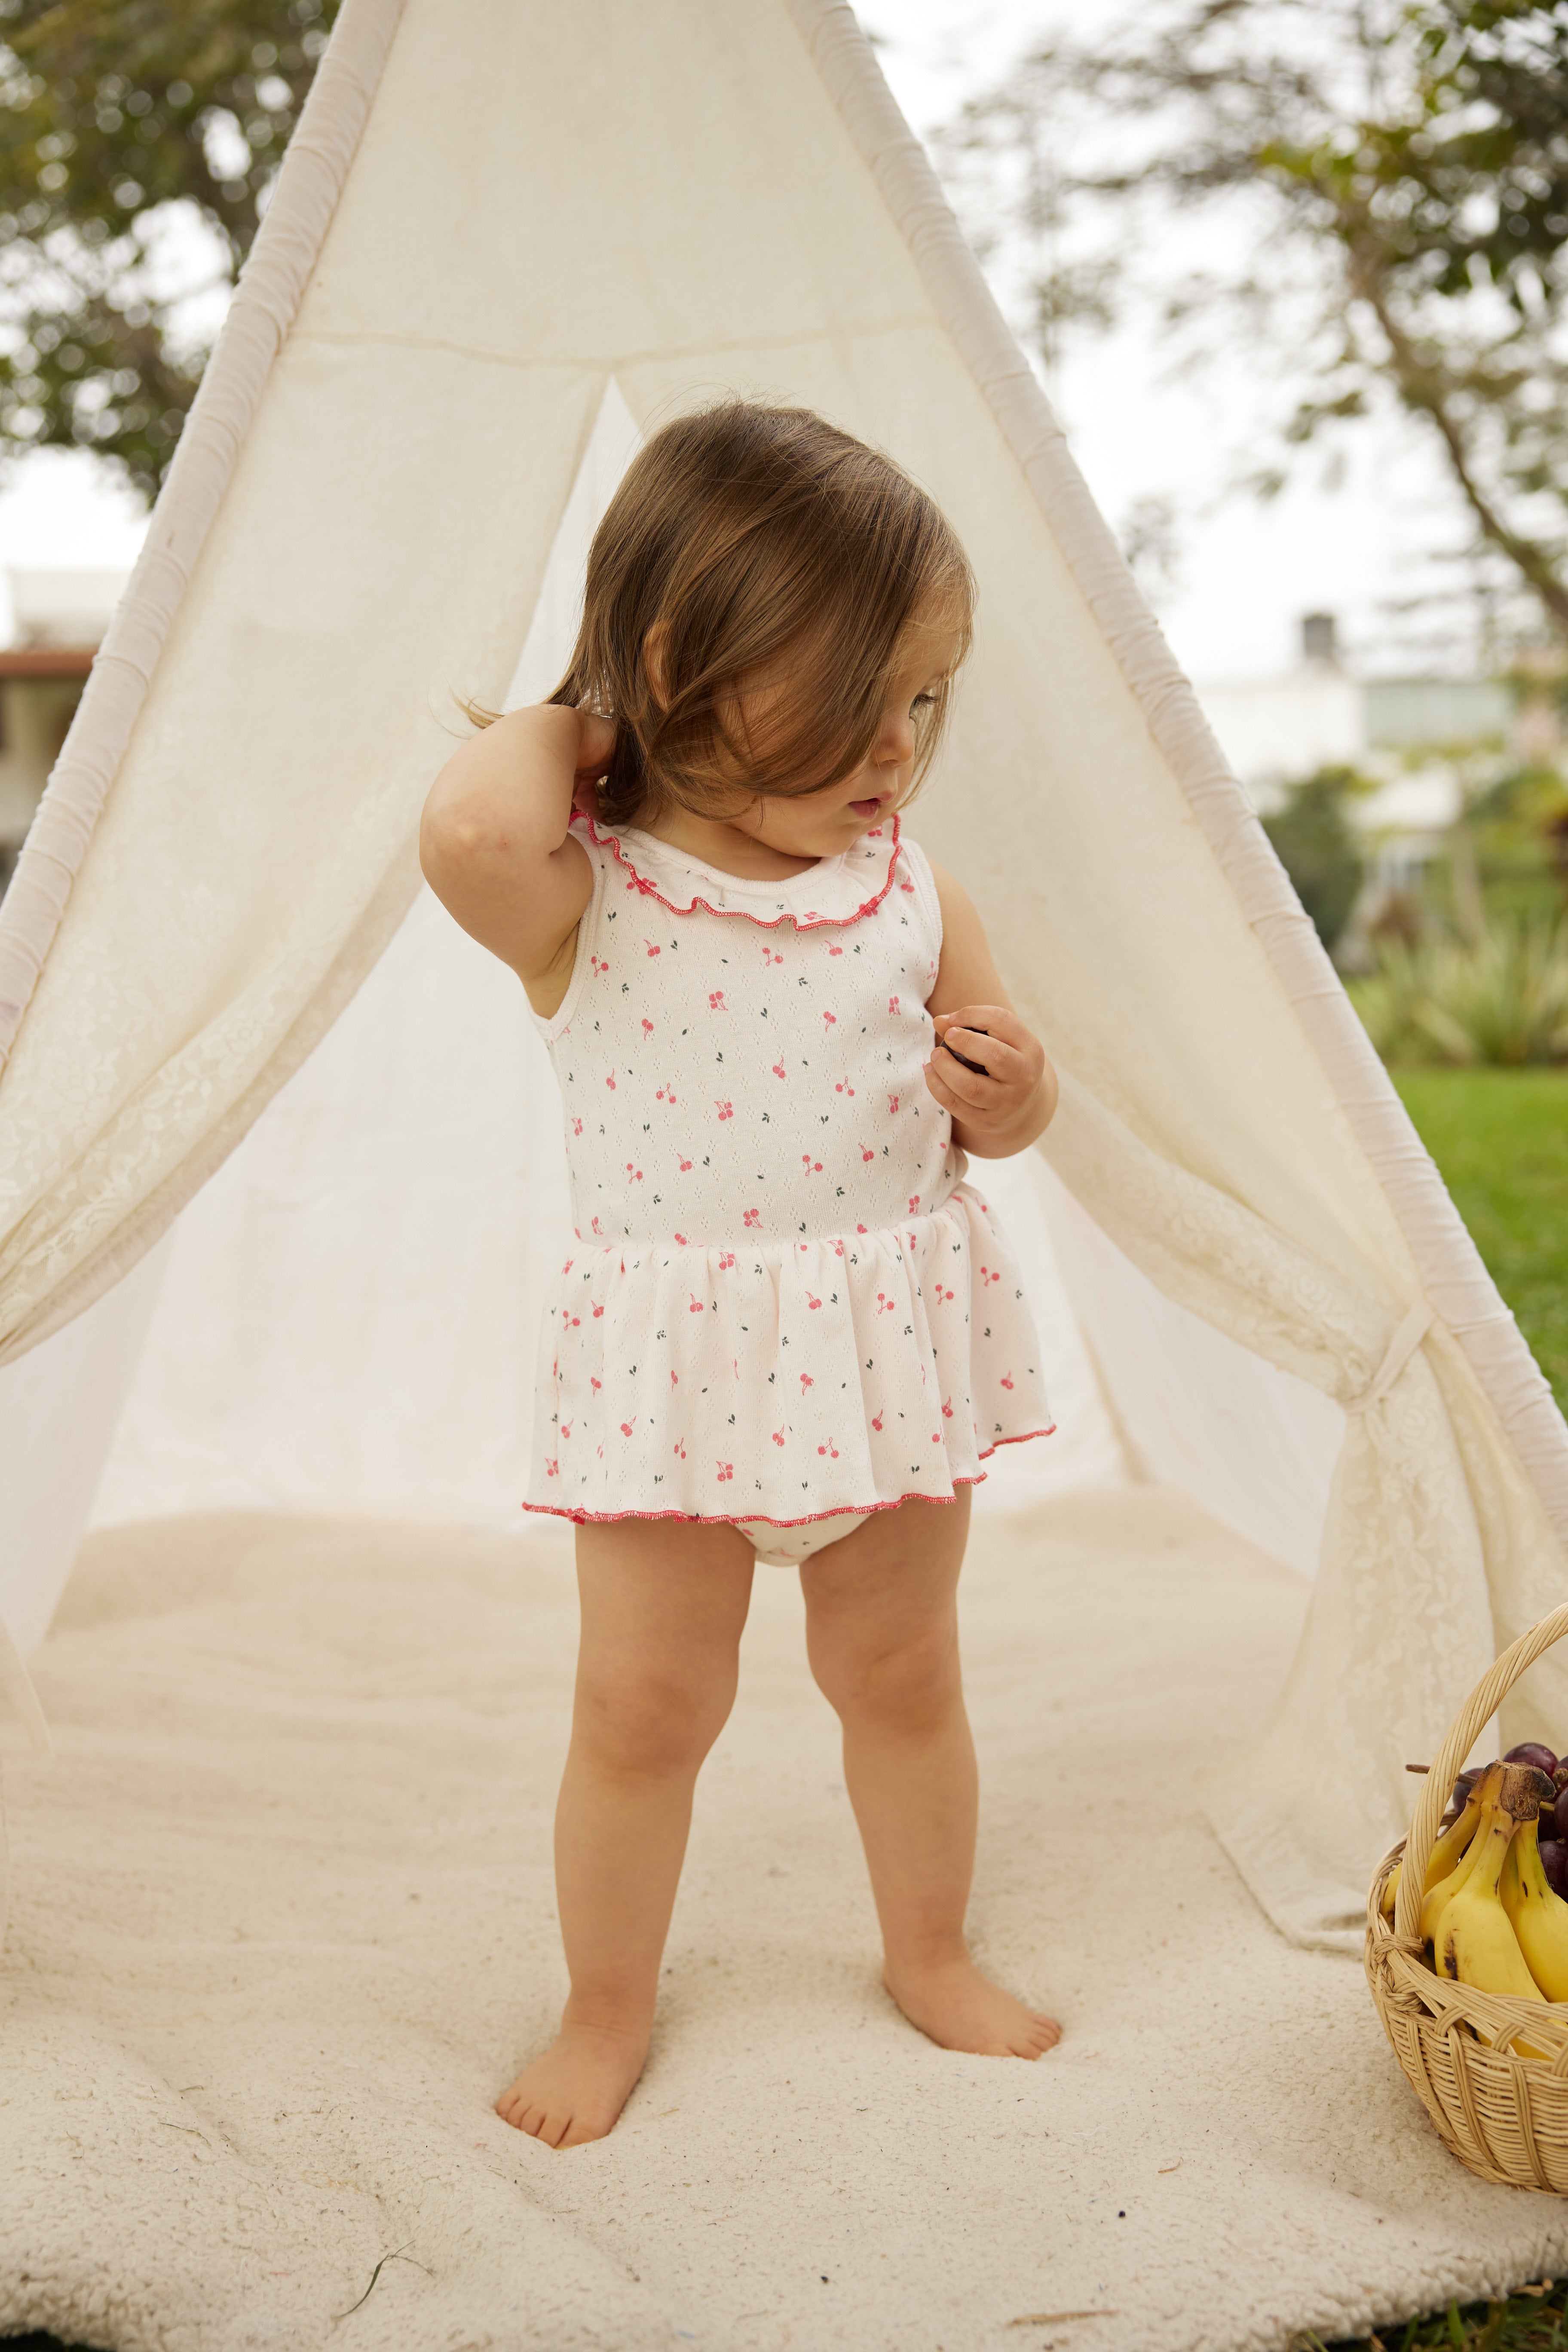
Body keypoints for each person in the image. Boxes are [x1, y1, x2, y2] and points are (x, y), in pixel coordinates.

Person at [420, 400, 1061, 2150]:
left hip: (881, 1345)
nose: (899, 744)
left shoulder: (909, 885)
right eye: (856, 695)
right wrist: (596, 700)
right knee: (641, 1709)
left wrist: (1010, 1095)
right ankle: (605, 2004)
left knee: (904, 1675)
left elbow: (1004, 1087)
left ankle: (926, 1950)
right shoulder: (586, 891)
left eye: (926, 697)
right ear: (669, 660)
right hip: (676, 1375)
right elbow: (470, 831)